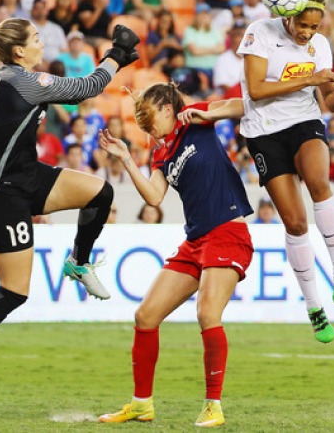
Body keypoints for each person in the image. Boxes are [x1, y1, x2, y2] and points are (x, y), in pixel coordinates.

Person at [0, 18, 141, 404]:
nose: (44, 43)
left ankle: (78, 262)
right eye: (38, 38)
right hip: (0, 192)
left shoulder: (12, 76)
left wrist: (117, 58)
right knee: (13, 293)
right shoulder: (23, 80)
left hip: (25, 175)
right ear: (20, 50)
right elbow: (84, 89)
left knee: (100, 193)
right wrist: (116, 55)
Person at [192, 0, 334, 343]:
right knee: (295, 224)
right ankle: (314, 307)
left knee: (318, 182)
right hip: (263, 133)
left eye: (314, 27)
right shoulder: (258, 34)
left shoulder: (321, 46)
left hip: (303, 122)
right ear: (288, 13)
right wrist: (310, 80)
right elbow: (258, 90)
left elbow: (327, 103)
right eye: (303, 25)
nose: (307, 33)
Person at [97, 83, 254, 427]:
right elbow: (154, 197)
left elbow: (245, 106)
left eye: (151, 122)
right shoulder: (161, 153)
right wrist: (125, 158)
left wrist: (211, 112)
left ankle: (213, 405)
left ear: (168, 109)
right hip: (195, 241)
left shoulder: (196, 117)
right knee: (146, 316)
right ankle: (142, 404)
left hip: (228, 232)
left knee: (207, 313)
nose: (149, 131)